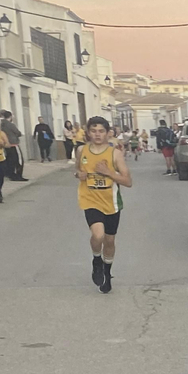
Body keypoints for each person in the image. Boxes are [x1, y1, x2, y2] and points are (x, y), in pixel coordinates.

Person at [76, 116, 132, 293]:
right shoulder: (81, 151)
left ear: (108, 133)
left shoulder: (114, 153)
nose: (97, 134)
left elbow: (128, 181)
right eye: (93, 131)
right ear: (88, 133)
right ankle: (96, 260)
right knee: (98, 235)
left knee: (109, 240)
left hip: (111, 202)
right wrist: (79, 175)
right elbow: (77, 170)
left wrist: (108, 172)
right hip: (90, 199)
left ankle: (107, 274)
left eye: (101, 131)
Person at [0, 110, 26, 181]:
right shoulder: (11, 125)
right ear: (10, 116)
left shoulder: (1, 125)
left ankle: (10, 174)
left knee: (10, 160)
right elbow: (17, 132)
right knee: (18, 160)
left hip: (6, 145)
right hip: (13, 144)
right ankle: (18, 175)